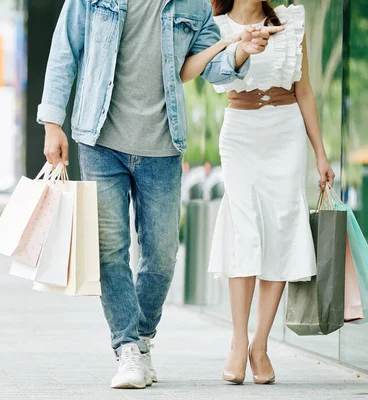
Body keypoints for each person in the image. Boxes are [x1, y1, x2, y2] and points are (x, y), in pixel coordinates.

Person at [37, 0, 282, 389]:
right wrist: (52, 123)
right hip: (99, 140)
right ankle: (128, 349)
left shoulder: (194, 7)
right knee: (110, 249)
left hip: (164, 145)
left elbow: (210, 67)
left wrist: (241, 50)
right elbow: (64, 51)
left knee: (163, 254)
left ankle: (143, 337)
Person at [180, 0, 335, 385]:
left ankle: (260, 345)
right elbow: (190, 73)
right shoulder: (214, 23)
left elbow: (305, 90)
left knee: (282, 231)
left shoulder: (291, 20)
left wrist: (320, 154)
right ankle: (237, 342)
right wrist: (236, 46)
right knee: (245, 231)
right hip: (241, 134)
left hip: (285, 133)